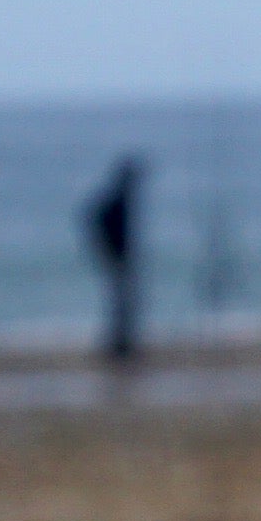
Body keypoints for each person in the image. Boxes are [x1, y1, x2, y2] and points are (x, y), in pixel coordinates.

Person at [83, 153, 145, 364]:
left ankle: (122, 345)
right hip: (118, 259)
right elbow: (97, 221)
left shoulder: (122, 200)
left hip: (120, 258)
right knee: (122, 302)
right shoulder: (117, 201)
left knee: (123, 303)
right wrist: (110, 251)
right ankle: (120, 347)